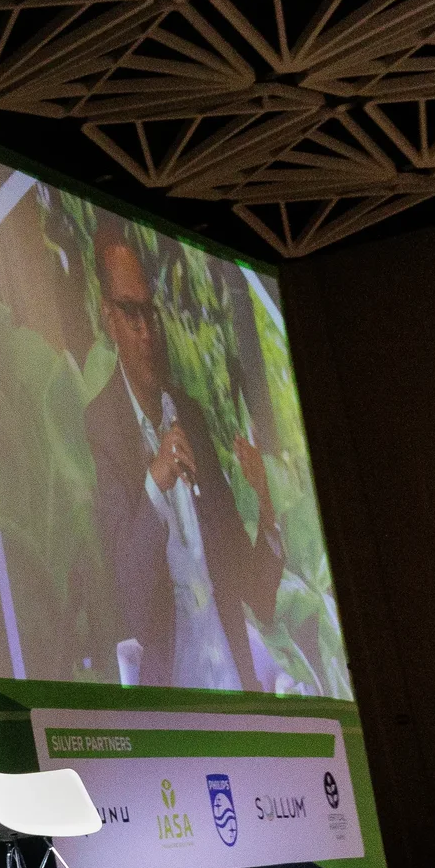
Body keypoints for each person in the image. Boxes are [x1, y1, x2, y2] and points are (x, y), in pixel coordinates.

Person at [84, 228, 284, 691]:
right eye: (130, 312)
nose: (146, 331)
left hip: (235, 685)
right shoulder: (101, 424)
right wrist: (154, 484)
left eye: (150, 312)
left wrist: (265, 503)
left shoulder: (189, 415)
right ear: (108, 318)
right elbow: (129, 597)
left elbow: (257, 589)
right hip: (172, 693)